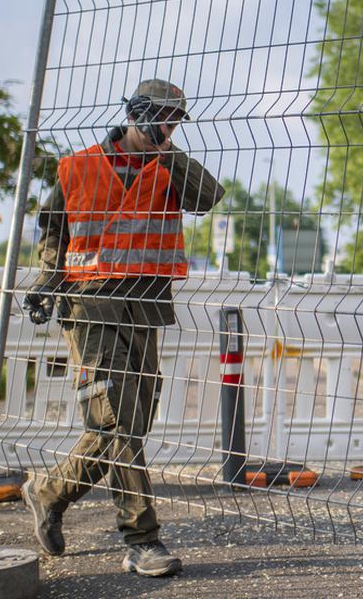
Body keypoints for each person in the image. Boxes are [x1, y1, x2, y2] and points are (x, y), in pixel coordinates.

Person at [20, 79, 224, 578]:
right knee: (117, 421)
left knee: (129, 420)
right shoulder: (79, 166)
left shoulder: (168, 167)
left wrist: (166, 150)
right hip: (88, 307)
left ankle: (49, 491)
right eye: (159, 117)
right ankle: (141, 539)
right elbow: (53, 229)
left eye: (175, 120)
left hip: (146, 309)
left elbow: (207, 198)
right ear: (133, 113)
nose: (166, 127)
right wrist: (47, 278)